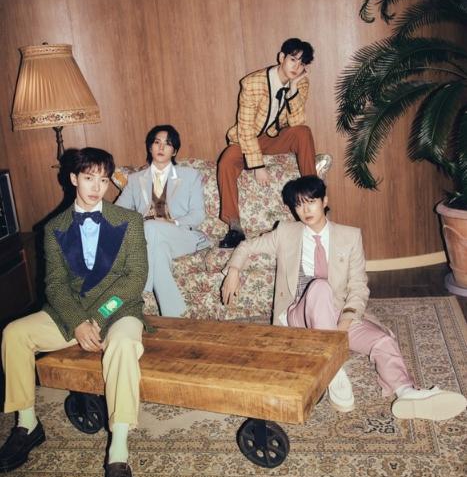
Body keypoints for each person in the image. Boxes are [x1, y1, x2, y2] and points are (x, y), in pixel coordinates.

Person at [221, 175, 467, 421]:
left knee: (382, 340)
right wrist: (233, 270)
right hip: (298, 317)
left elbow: (359, 286)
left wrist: (345, 322)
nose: (305, 210)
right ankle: (335, 370)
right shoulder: (286, 232)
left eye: (311, 202)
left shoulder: (349, 236)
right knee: (319, 288)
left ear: (324, 201)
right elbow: (246, 246)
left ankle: (406, 391)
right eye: (299, 205)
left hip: (337, 315)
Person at [0, 147, 148, 477]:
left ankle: (118, 453)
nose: (97, 187)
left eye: (103, 180)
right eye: (88, 178)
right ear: (73, 179)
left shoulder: (130, 221)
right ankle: (27, 424)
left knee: (123, 347)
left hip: (118, 311)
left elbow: (135, 279)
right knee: (15, 334)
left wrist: (96, 318)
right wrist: (77, 322)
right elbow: (54, 284)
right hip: (71, 315)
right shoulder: (53, 229)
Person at [217, 37, 317, 249]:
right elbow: (245, 127)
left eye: (302, 64)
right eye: (292, 60)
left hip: (274, 137)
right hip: (247, 138)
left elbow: (296, 122)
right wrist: (257, 165)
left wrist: (293, 90)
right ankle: (234, 227)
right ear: (281, 57)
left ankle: (314, 196)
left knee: (303, 133)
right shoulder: (252, 83)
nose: (296, 67)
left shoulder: (301, 82)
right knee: (226, 160)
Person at [116, 124, 211, 317]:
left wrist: (172, 223)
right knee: (157, 252)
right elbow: (118, 212)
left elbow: (198, 214)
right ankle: (175, 318)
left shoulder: (190, 176)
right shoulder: (135, 180)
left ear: (174, 151)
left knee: (150, 226)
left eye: (167, 144)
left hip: (182, 235)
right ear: (150, 147)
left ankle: (139, 284)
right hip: (151, 239)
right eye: (157, 142)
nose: (161, 147)